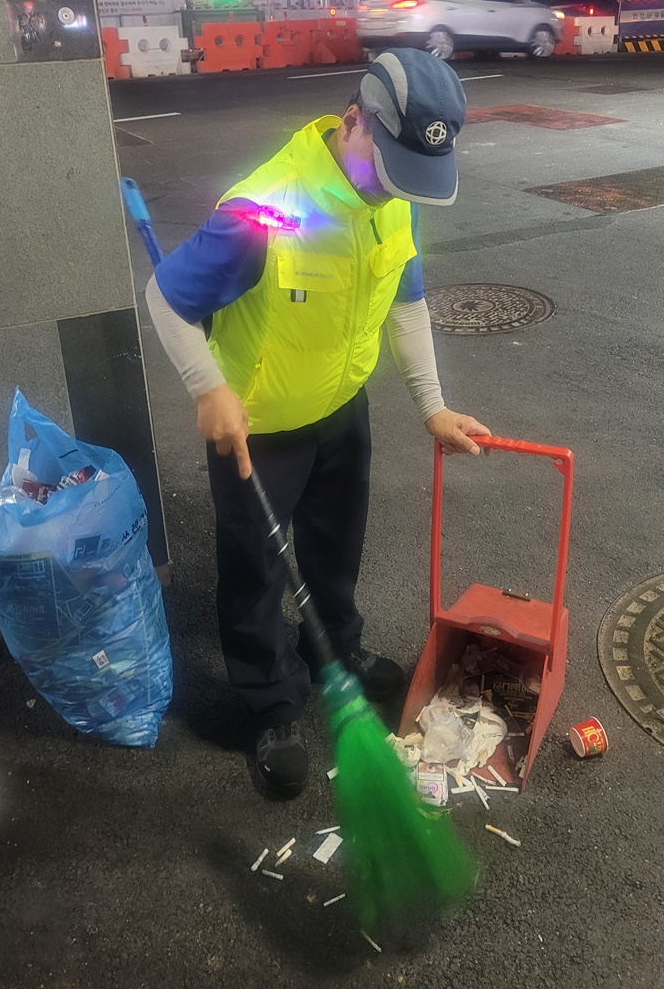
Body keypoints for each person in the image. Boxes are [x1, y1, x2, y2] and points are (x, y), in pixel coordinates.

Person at [146, 48, 490, 797]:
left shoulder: (390, 197)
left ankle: (339, 647)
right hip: (258, 427)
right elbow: (165, 298)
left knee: (334, 550)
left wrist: (431, 406)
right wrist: (209, 388)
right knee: (256, 571)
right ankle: (269, 702)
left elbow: (406, 302)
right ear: (353, 120)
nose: (389, 193)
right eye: (385, 169)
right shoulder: (267, 208)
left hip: (341, 410)